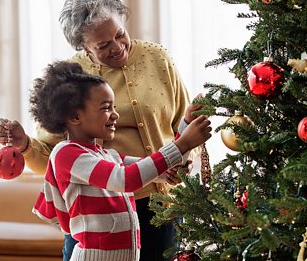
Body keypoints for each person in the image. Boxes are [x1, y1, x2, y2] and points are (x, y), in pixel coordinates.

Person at [0, 0, 207, 260]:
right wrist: (25, 146)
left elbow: (179, 127)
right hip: (100, 214)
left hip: (164, 206)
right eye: (103, 45)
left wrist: (184, 157)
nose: (117, 47)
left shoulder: (158, 58)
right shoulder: (73, 83)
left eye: (120, 34)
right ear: (83, 47)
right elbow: (59, 161)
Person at [30, 61, 212, 261]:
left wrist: (186, 124)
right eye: (106, 108)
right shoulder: (66, 154)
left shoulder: (108, 155)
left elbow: (161, 168)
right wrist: (183, 144)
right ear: (75, 116)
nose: (116, 115)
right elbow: (126, 180)